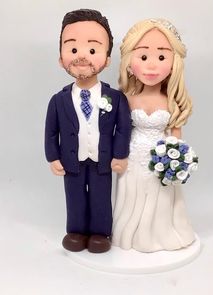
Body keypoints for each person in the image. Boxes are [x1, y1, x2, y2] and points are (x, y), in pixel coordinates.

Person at [45, 9, 131, 253]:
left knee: (101, 197)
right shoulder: (58, 100)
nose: (82, 56)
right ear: (61, 58)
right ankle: (76, 230)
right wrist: (52, 157)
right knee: (74, 197)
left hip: (102, 160)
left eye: (92, 50)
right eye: (72, 49)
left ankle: (100, 232)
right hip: (72, 159)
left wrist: (120, 155)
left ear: (107, 58)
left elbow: (123, 129)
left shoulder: (116, 98)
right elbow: (51, 131)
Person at [112, 19, 195, 252]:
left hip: (160, 159)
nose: (151, 67)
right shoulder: (126, 99)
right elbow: (118, 129)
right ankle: (130, 235)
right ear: (130, 62)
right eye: (143, 57)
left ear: (173, 63)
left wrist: (177, 159)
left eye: (161, 57)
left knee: (160, 198)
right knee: (132, 196)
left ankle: (159, 235)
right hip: (131, 156)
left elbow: (176, 136)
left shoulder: (171, 102)